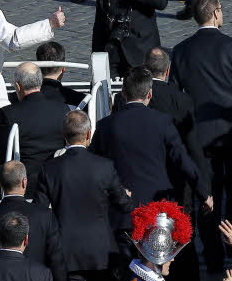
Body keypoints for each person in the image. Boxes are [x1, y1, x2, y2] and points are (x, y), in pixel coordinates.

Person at [171, 0, 232, 273]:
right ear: (216, 14)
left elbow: (176, 96)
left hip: (199, 137)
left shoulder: (181, 50)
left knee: (208, 195)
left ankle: (211, 256)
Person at [34, 110, 133, 281]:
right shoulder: (104, 166)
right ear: (88, 134)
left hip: (66, 250)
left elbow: (38, 211)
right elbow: (124, 205)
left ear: (63, 136)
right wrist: (126, 196)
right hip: (101, 249)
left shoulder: (49, 169)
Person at [143, 46, 209, 281]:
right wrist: (203, 186)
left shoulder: (136, 98)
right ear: (168, 71)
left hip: (147, 179)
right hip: (178, 181)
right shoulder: (183, 101)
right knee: (183, 239)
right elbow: (194, 148)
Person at [90, 67, 211, 210]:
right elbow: (181, 159)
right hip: (157, 207)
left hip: (120, 205)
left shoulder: (105, 125)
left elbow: (93, 163)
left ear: (123, 93)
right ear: (150, 94)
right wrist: (204, 193)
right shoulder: (163, 122)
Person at [0, 63, 70, 198]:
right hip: (56, 181)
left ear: (18, 86)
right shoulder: (62, 109)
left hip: (23, 186)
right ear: (40, 82)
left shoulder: (9, 113)